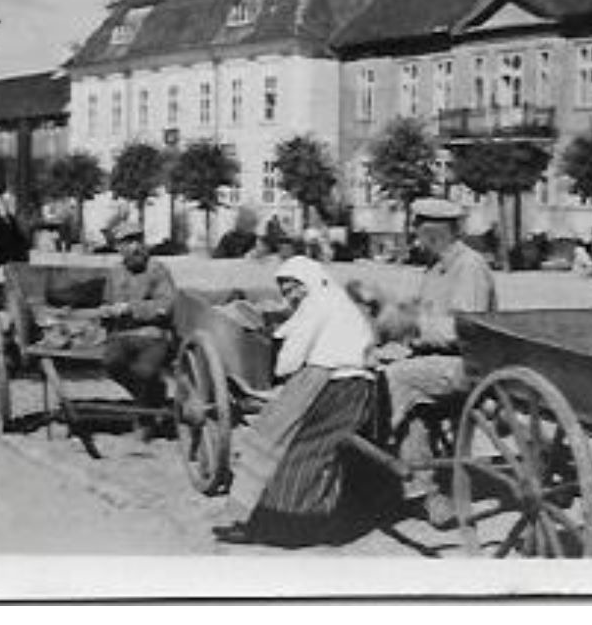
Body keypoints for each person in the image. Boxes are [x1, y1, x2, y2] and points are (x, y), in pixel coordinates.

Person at [213, 256, 376, 546]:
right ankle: (264, 522)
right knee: (286, 445)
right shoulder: (331, 297)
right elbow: (292, 328)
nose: (290, 295)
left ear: (307, 281)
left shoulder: (317, 303)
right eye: (285, 290)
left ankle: (287, 527)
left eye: (293, 288)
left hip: (336, 385)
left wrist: (275, 361)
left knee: (287, 448)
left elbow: (287, 362)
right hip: (346, 383)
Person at [376, 197, 497, 527]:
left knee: (395, 379)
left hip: (470, 366)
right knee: (412, 403)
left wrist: (413, 330)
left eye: (418, 233)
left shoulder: (468, 266)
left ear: (432, 234)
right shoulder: (437, 267)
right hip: (445, 361)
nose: (416, 240)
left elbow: (466, 329)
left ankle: (409, 480)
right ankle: (425, 492)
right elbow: (423, 317)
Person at [98, 222, 177, 436]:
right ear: (119, 248)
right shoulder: (114, 273)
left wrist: (131, 309)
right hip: (121, 336)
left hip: (153, 335)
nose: (135, 247)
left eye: (138, 241)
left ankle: (145, 416)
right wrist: (106, 311)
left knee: (144, 371)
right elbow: (106, 302)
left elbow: (166, 305)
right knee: (111, 364)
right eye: (128, 242)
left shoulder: (157, 269)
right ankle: (151, 399)